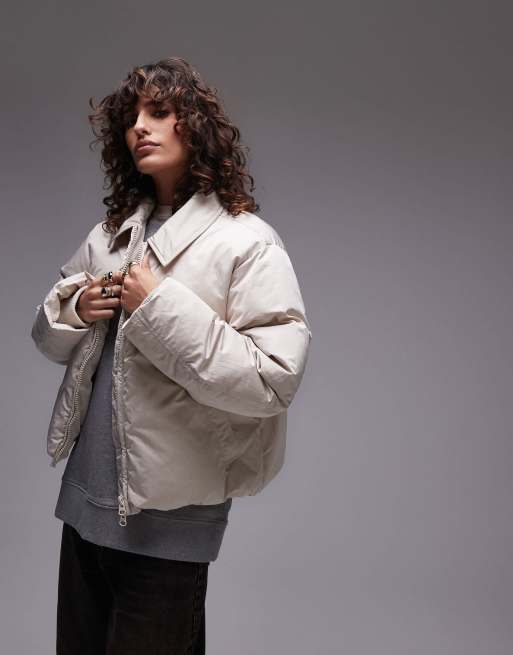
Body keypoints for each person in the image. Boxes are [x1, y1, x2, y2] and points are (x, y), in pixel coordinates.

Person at [31, 56, 312, 654]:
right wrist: (76, 309)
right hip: (83, 508)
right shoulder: (110, 235)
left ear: (197, 126)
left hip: (169, 525)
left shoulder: (246, 241)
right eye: (131, 118)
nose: (140, 126)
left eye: (159, 112)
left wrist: (156, 305)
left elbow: (272, 380)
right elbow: (49, 341)